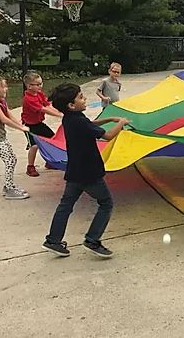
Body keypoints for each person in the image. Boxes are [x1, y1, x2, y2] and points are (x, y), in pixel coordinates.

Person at [42, 83, 129, 258]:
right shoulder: (79, 120)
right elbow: (107, 136)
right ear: (71, 105)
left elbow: (90, 124)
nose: (85, 98)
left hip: (75, 170)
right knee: (106, 203)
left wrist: (108, 119)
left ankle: (53, 240)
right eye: (81, 97)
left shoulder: (70, 118)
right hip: (89, 173)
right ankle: (92, 240)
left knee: (65, 206)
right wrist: (121, 123)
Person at [21, 72, 62, 177]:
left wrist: (61, 112)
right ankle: (30, 167)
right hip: (29, 126)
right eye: (38, 84)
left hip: (39, 124)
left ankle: (50, 162)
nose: (41, 86)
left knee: (52, 140)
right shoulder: (28, 99)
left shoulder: (39, 94)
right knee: (34, 146)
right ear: (29, 86)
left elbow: (48, 106)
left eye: (41, 83)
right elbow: (43, 109)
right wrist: (60, 116)